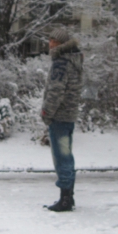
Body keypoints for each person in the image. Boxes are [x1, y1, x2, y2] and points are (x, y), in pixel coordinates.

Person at [41, 27, 84, 212]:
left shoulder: (61, 63)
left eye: (54, 41)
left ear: (61, 44)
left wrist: (46, 113)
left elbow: (56, 92)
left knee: (62, 157)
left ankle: (65, 200)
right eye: (50, 40)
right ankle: (69, 196)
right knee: (67, 156)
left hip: (59, 116)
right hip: (69, 114)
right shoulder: (74, 61)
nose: (50, 44)